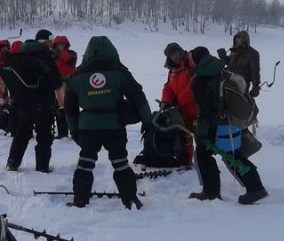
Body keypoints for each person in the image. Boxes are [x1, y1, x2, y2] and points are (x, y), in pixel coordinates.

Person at [64, 36, 153, 209]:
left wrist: (74, 130)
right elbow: (139, 98)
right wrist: (147, 122)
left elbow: (70, 109)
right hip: (114, 126)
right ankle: (130, 200)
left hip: (88, 127)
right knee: (120, 163)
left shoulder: (76, 77)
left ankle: (80, 200)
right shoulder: (120, 73)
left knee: (85, 164)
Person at [188, 46, 268, 204]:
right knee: (233, 155)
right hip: (232, 121)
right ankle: (256, 188)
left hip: (215, 124)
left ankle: (210, 192)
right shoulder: (221, 70)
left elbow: (204, 111)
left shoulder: (200, 80)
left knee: (203, 154)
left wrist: (200, 132)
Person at [0, 39, 61, 172]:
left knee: (22, 134)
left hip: (23, 105)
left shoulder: (16, 59)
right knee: (44, 135)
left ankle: (12, 163)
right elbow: (57, 82)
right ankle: (42, 167)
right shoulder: (45, 57)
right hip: (44, 104)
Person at [160, 42, 196, 165]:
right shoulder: (172, 69)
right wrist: (165, 101)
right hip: (181, 109)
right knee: (184, 134)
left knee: (198, 135)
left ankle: (203, 160)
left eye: (176, 52)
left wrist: (179, 99)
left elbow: (194, 86)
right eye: (172, 54)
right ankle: (186, 160)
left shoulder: (189, 64)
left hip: (194, 108)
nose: (175, 56)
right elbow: (168, 87)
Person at [217, 30, 261, 97]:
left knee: (238, 105)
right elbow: (230, 64)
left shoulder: (253, 53)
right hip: (228, 82)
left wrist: (256, 87)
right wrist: (223, 56)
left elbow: (255, 71)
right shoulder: (234, 51)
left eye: (239, 38)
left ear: (245, 40)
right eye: (235, 39)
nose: (236, 40)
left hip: (241, 85)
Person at [51, 36, 77, 139]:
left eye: (63, 44)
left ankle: (74, 130)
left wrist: (60, 52)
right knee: (59, 108)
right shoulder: (53, 56)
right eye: (59, 44)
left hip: (70, 83)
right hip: (58, 84)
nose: (61, 46)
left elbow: (70, 62)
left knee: (71, 107)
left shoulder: (72, 54)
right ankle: (62, 132)